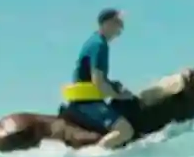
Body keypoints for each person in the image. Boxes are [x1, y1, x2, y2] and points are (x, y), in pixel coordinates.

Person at [60, 8, 141, 149]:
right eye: (118, 22)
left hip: (86, 98)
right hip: (87, 102)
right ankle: (96, 156)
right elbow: (98, 82)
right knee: (125, 131)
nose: (122, 27)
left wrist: (114, 86)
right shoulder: (99, 45)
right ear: (107, 23)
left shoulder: (95, 40)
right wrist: (120, 95)